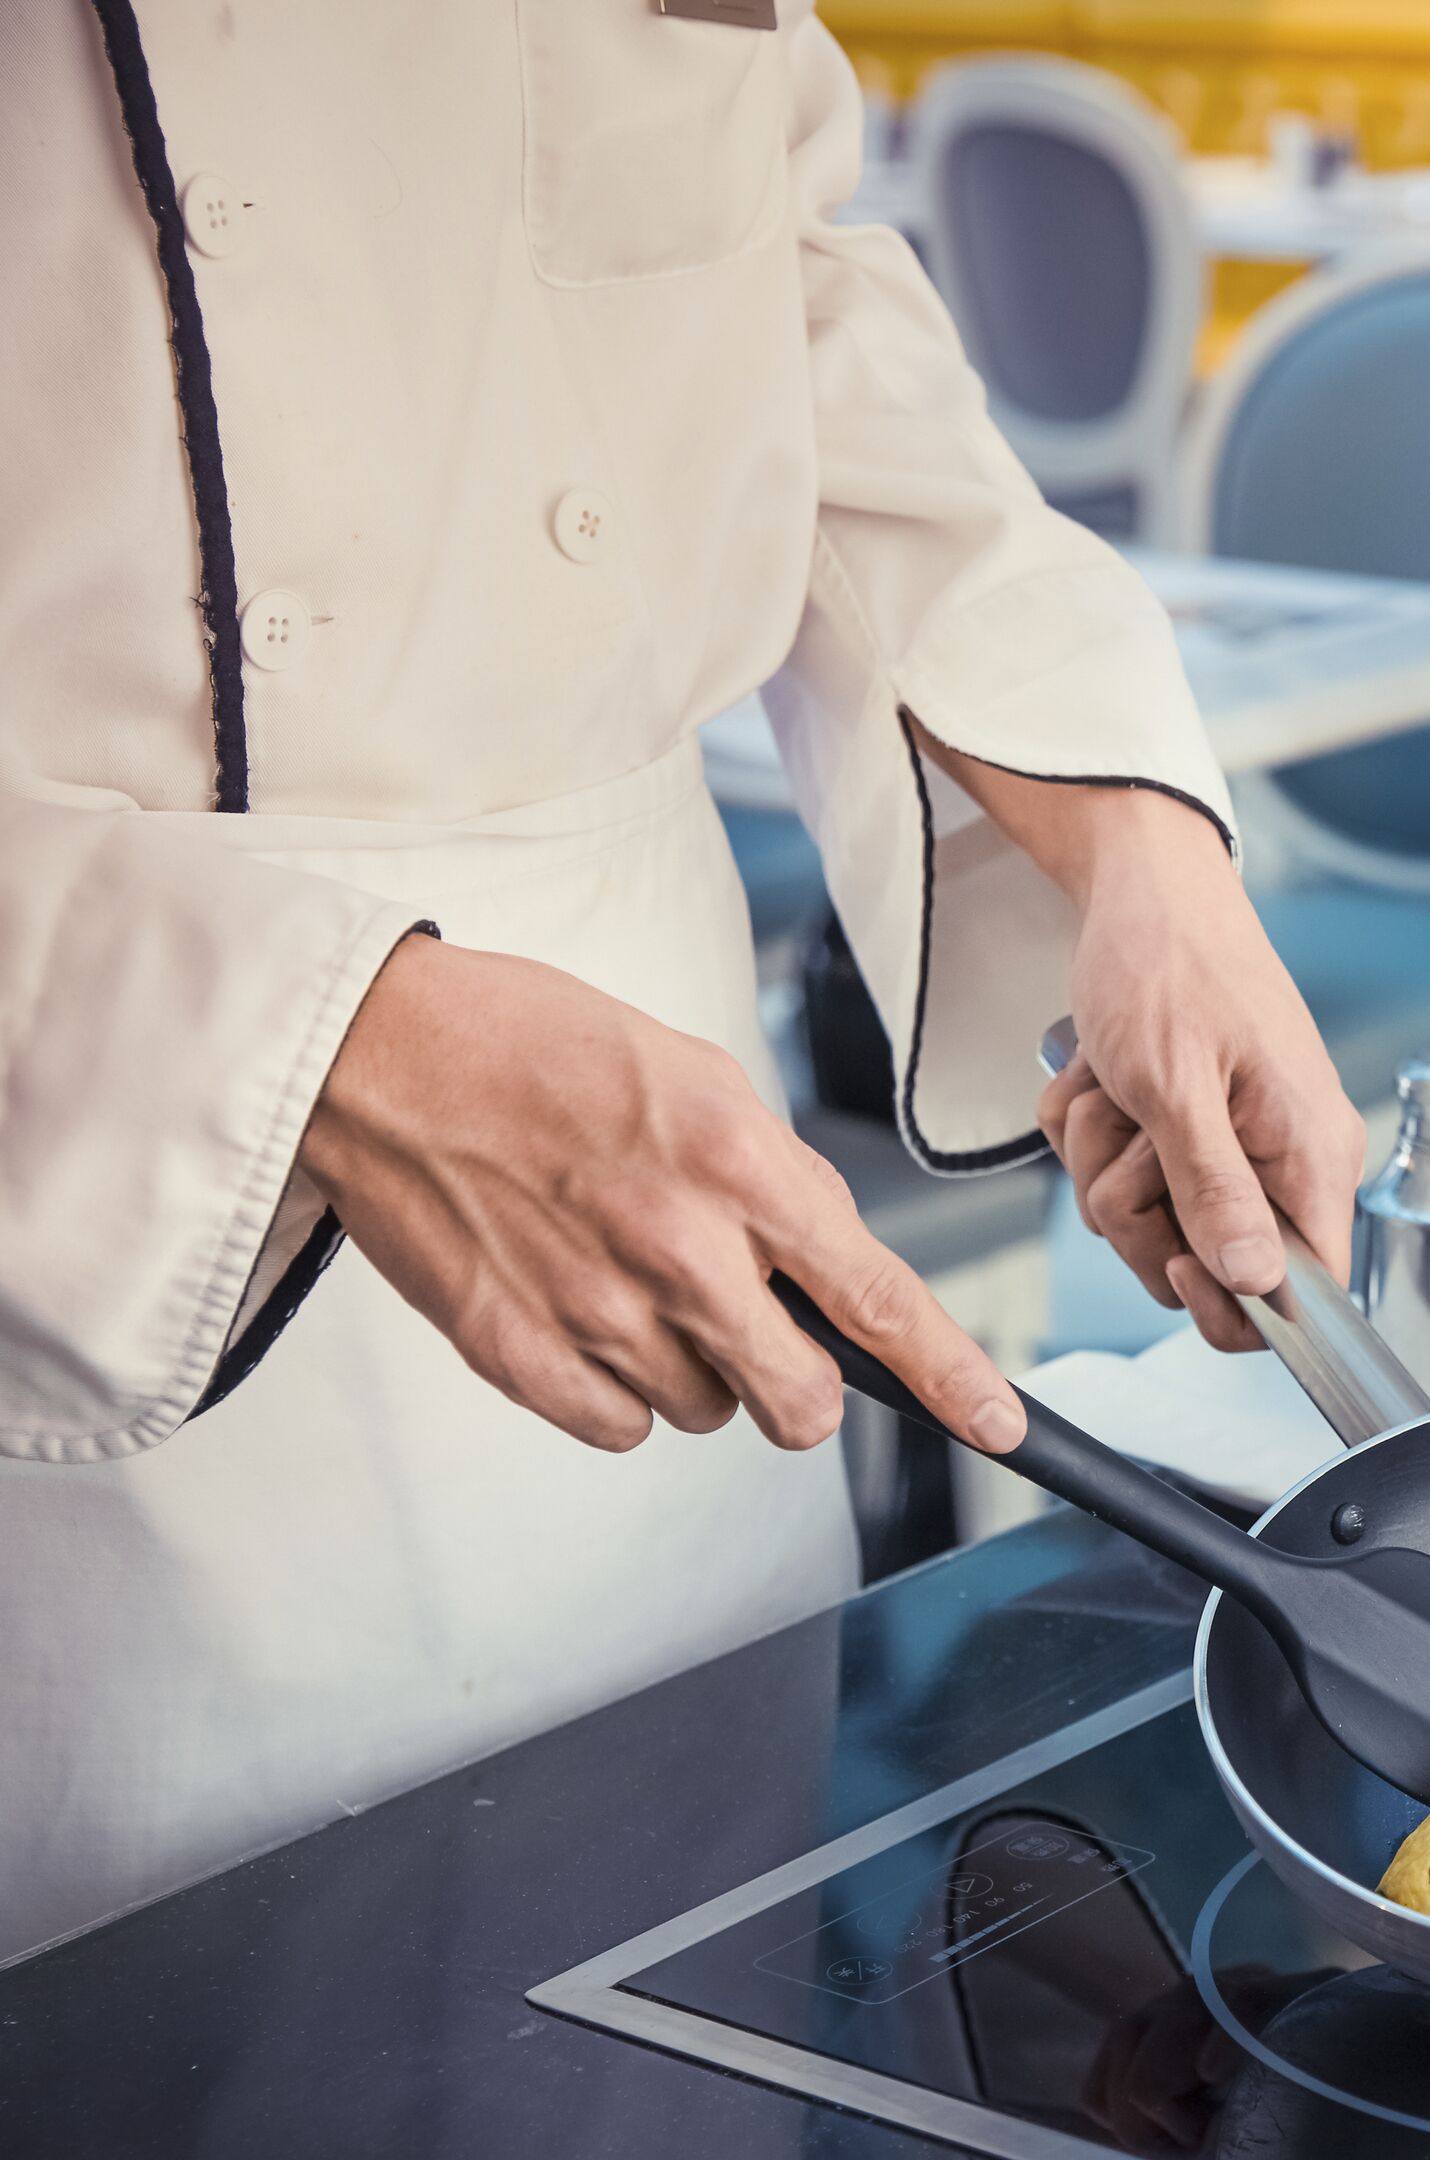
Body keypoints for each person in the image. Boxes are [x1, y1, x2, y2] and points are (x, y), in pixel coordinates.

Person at [0, 2, 1351, 1961]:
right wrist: (334, 1046)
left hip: (699, 1373)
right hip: (116, 1301)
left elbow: (782, 300)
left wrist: (1134, 839)